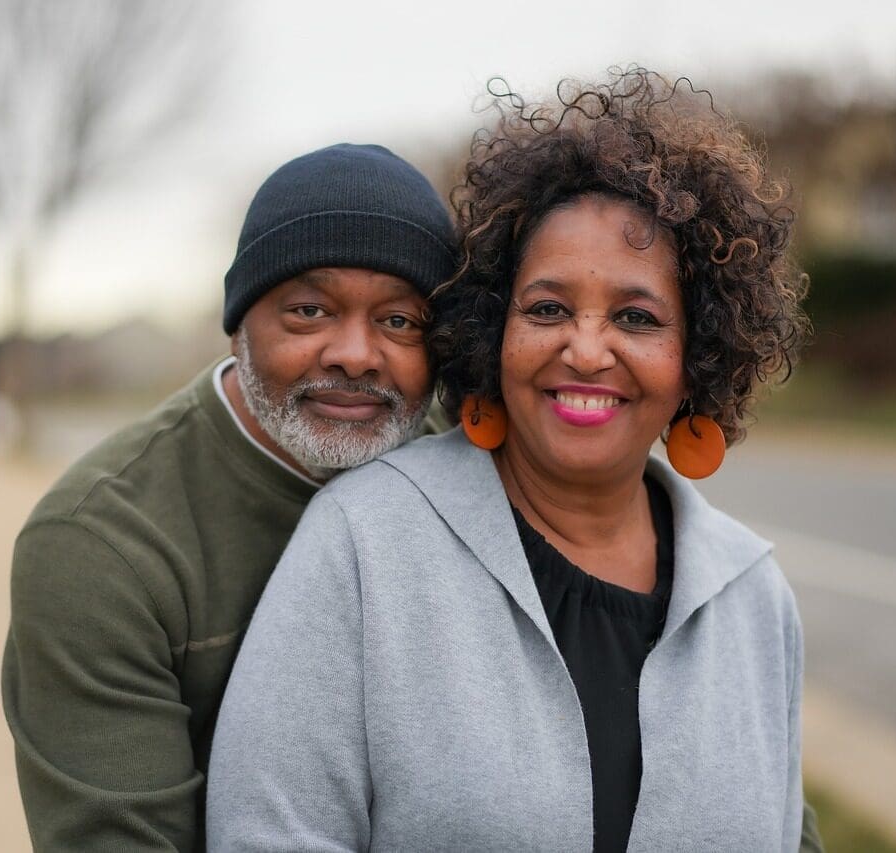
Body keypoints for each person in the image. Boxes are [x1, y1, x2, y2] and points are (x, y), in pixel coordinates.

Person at [208, 70, 817, 851]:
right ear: (494, 333)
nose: (586, 348)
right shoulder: (364, 542)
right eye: (548, 309)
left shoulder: (754, 596)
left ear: (694, 355)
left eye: (635, 316)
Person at [1, 142, 457, 851]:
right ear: (240, 322)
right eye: (309, 310)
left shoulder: (467, 459)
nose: (357, 353)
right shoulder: (99, 545)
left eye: (400, 320)